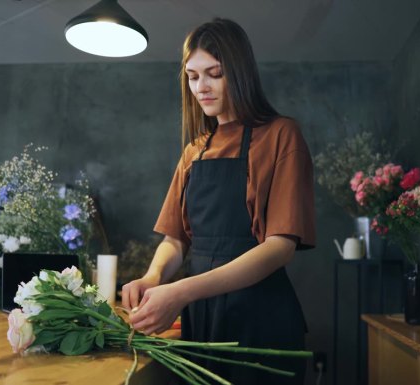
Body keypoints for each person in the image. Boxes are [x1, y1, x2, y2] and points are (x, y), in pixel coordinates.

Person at [121, 17, 316, 385]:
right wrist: (153, 276)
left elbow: (279, 247)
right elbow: (175, 239)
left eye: (214, 74)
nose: (201, 87)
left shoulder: (281, 135)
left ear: (239, 72)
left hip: (261, 318)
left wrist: (179, 291)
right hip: (202, 320)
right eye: (193, 77)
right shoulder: (194, 151)